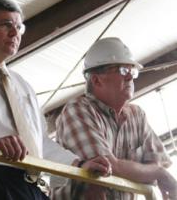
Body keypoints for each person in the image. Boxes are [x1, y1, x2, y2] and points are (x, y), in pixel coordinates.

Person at [0, 0, 111, 200]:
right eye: (6, 24)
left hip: (29, 186)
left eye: (19, 27)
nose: (14, 33)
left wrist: (79, 165)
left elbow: (39, 142)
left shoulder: (22, 85)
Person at [52, 37, 177, 199]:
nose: (130, 77)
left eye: (133, 71)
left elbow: (159, 162)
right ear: (96, 79)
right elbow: (107, 166)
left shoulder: (137, 115)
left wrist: (157, 171)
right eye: (123, 71)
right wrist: (158, 173)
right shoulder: (77, 110)